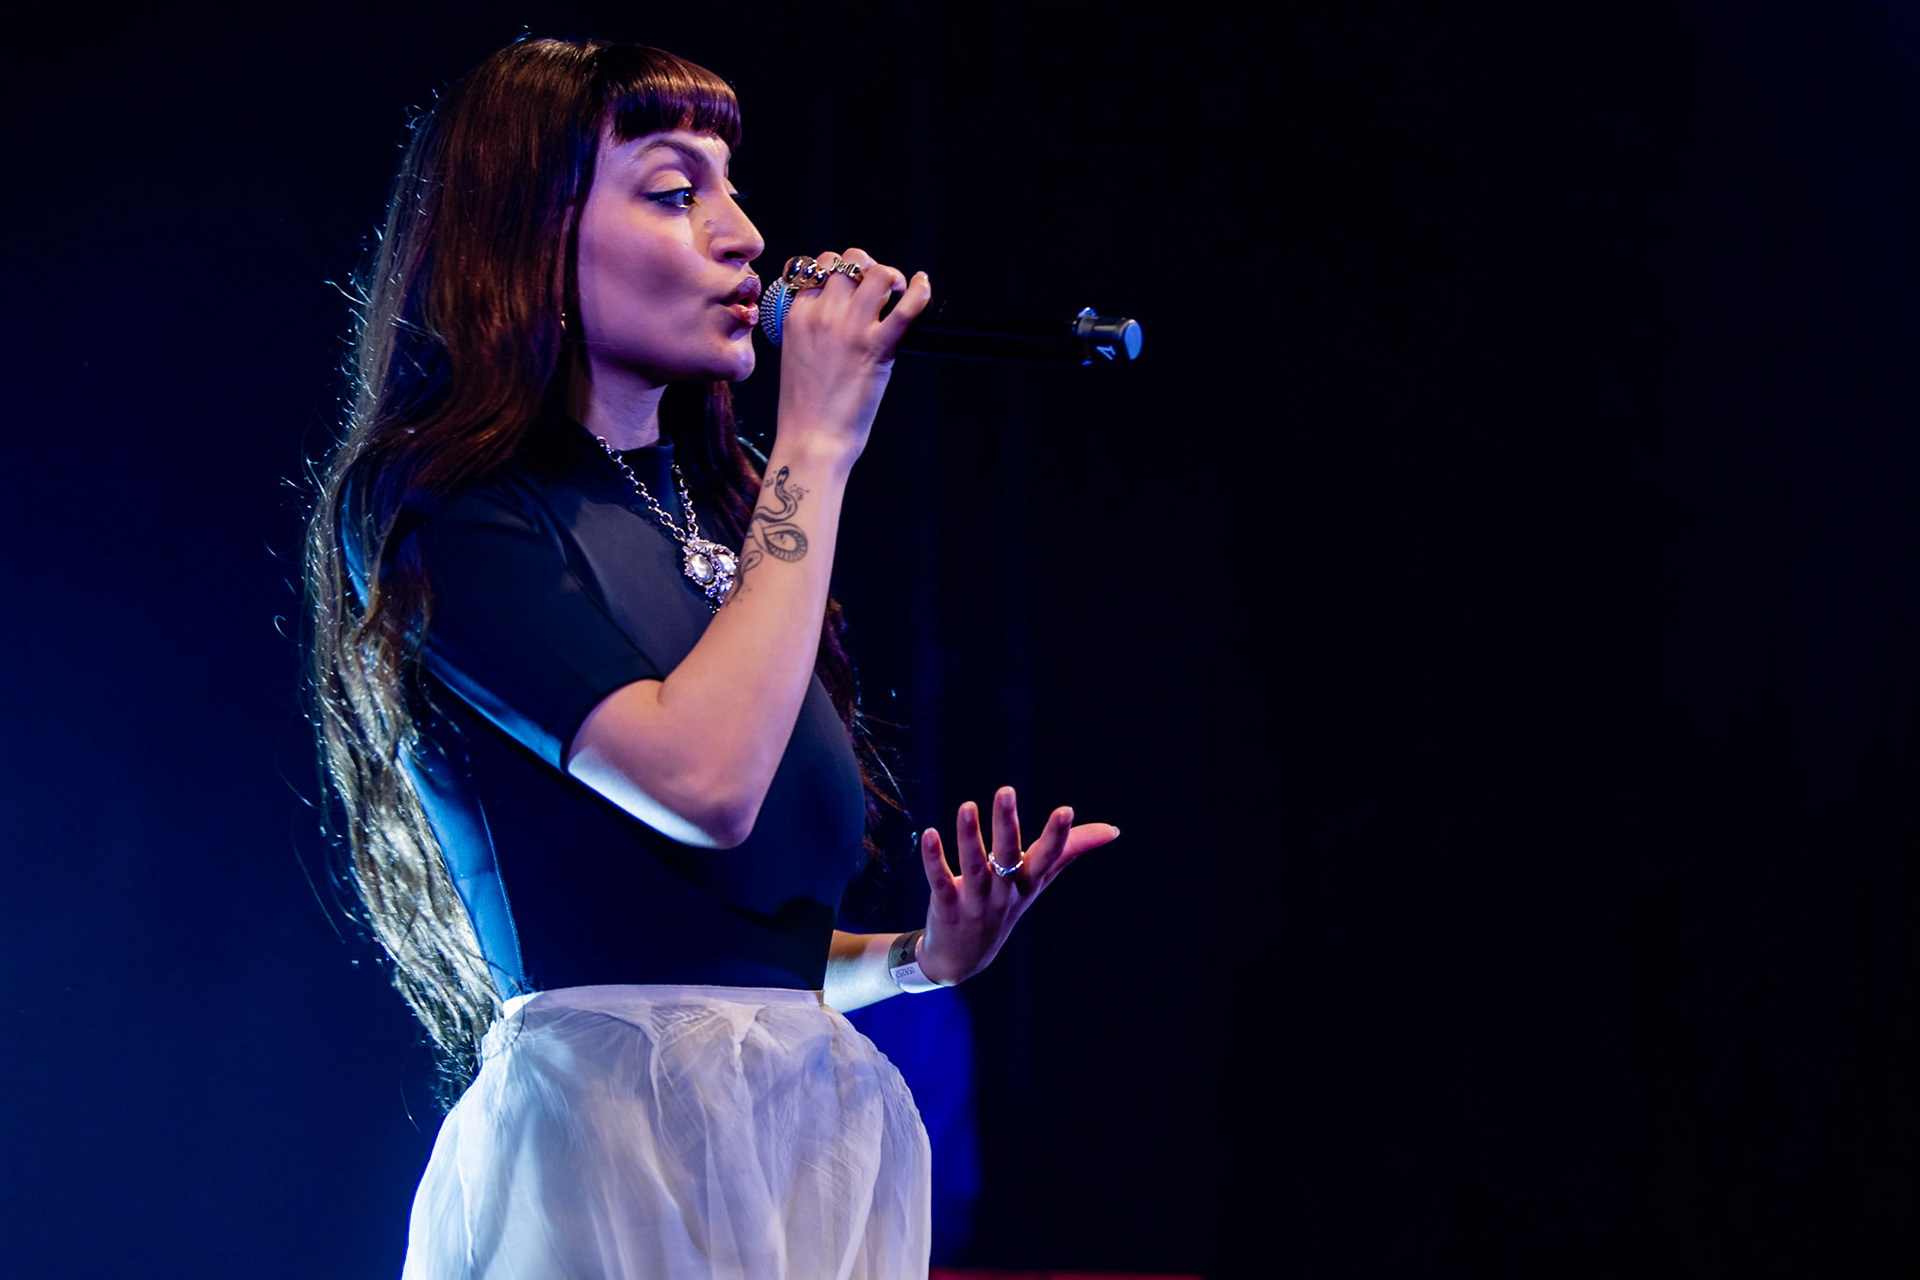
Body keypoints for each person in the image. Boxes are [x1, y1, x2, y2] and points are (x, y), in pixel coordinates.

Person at [305, 37, 1116, 1280]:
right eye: (678, 192)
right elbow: (701, 784)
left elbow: (743, 964)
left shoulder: (722, 525)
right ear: (533, 238)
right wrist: (818, 447)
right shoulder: (441, 509)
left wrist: (917, 958)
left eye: (733, 188)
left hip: (796, 1139)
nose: (744, 235)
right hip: (610, 1152)